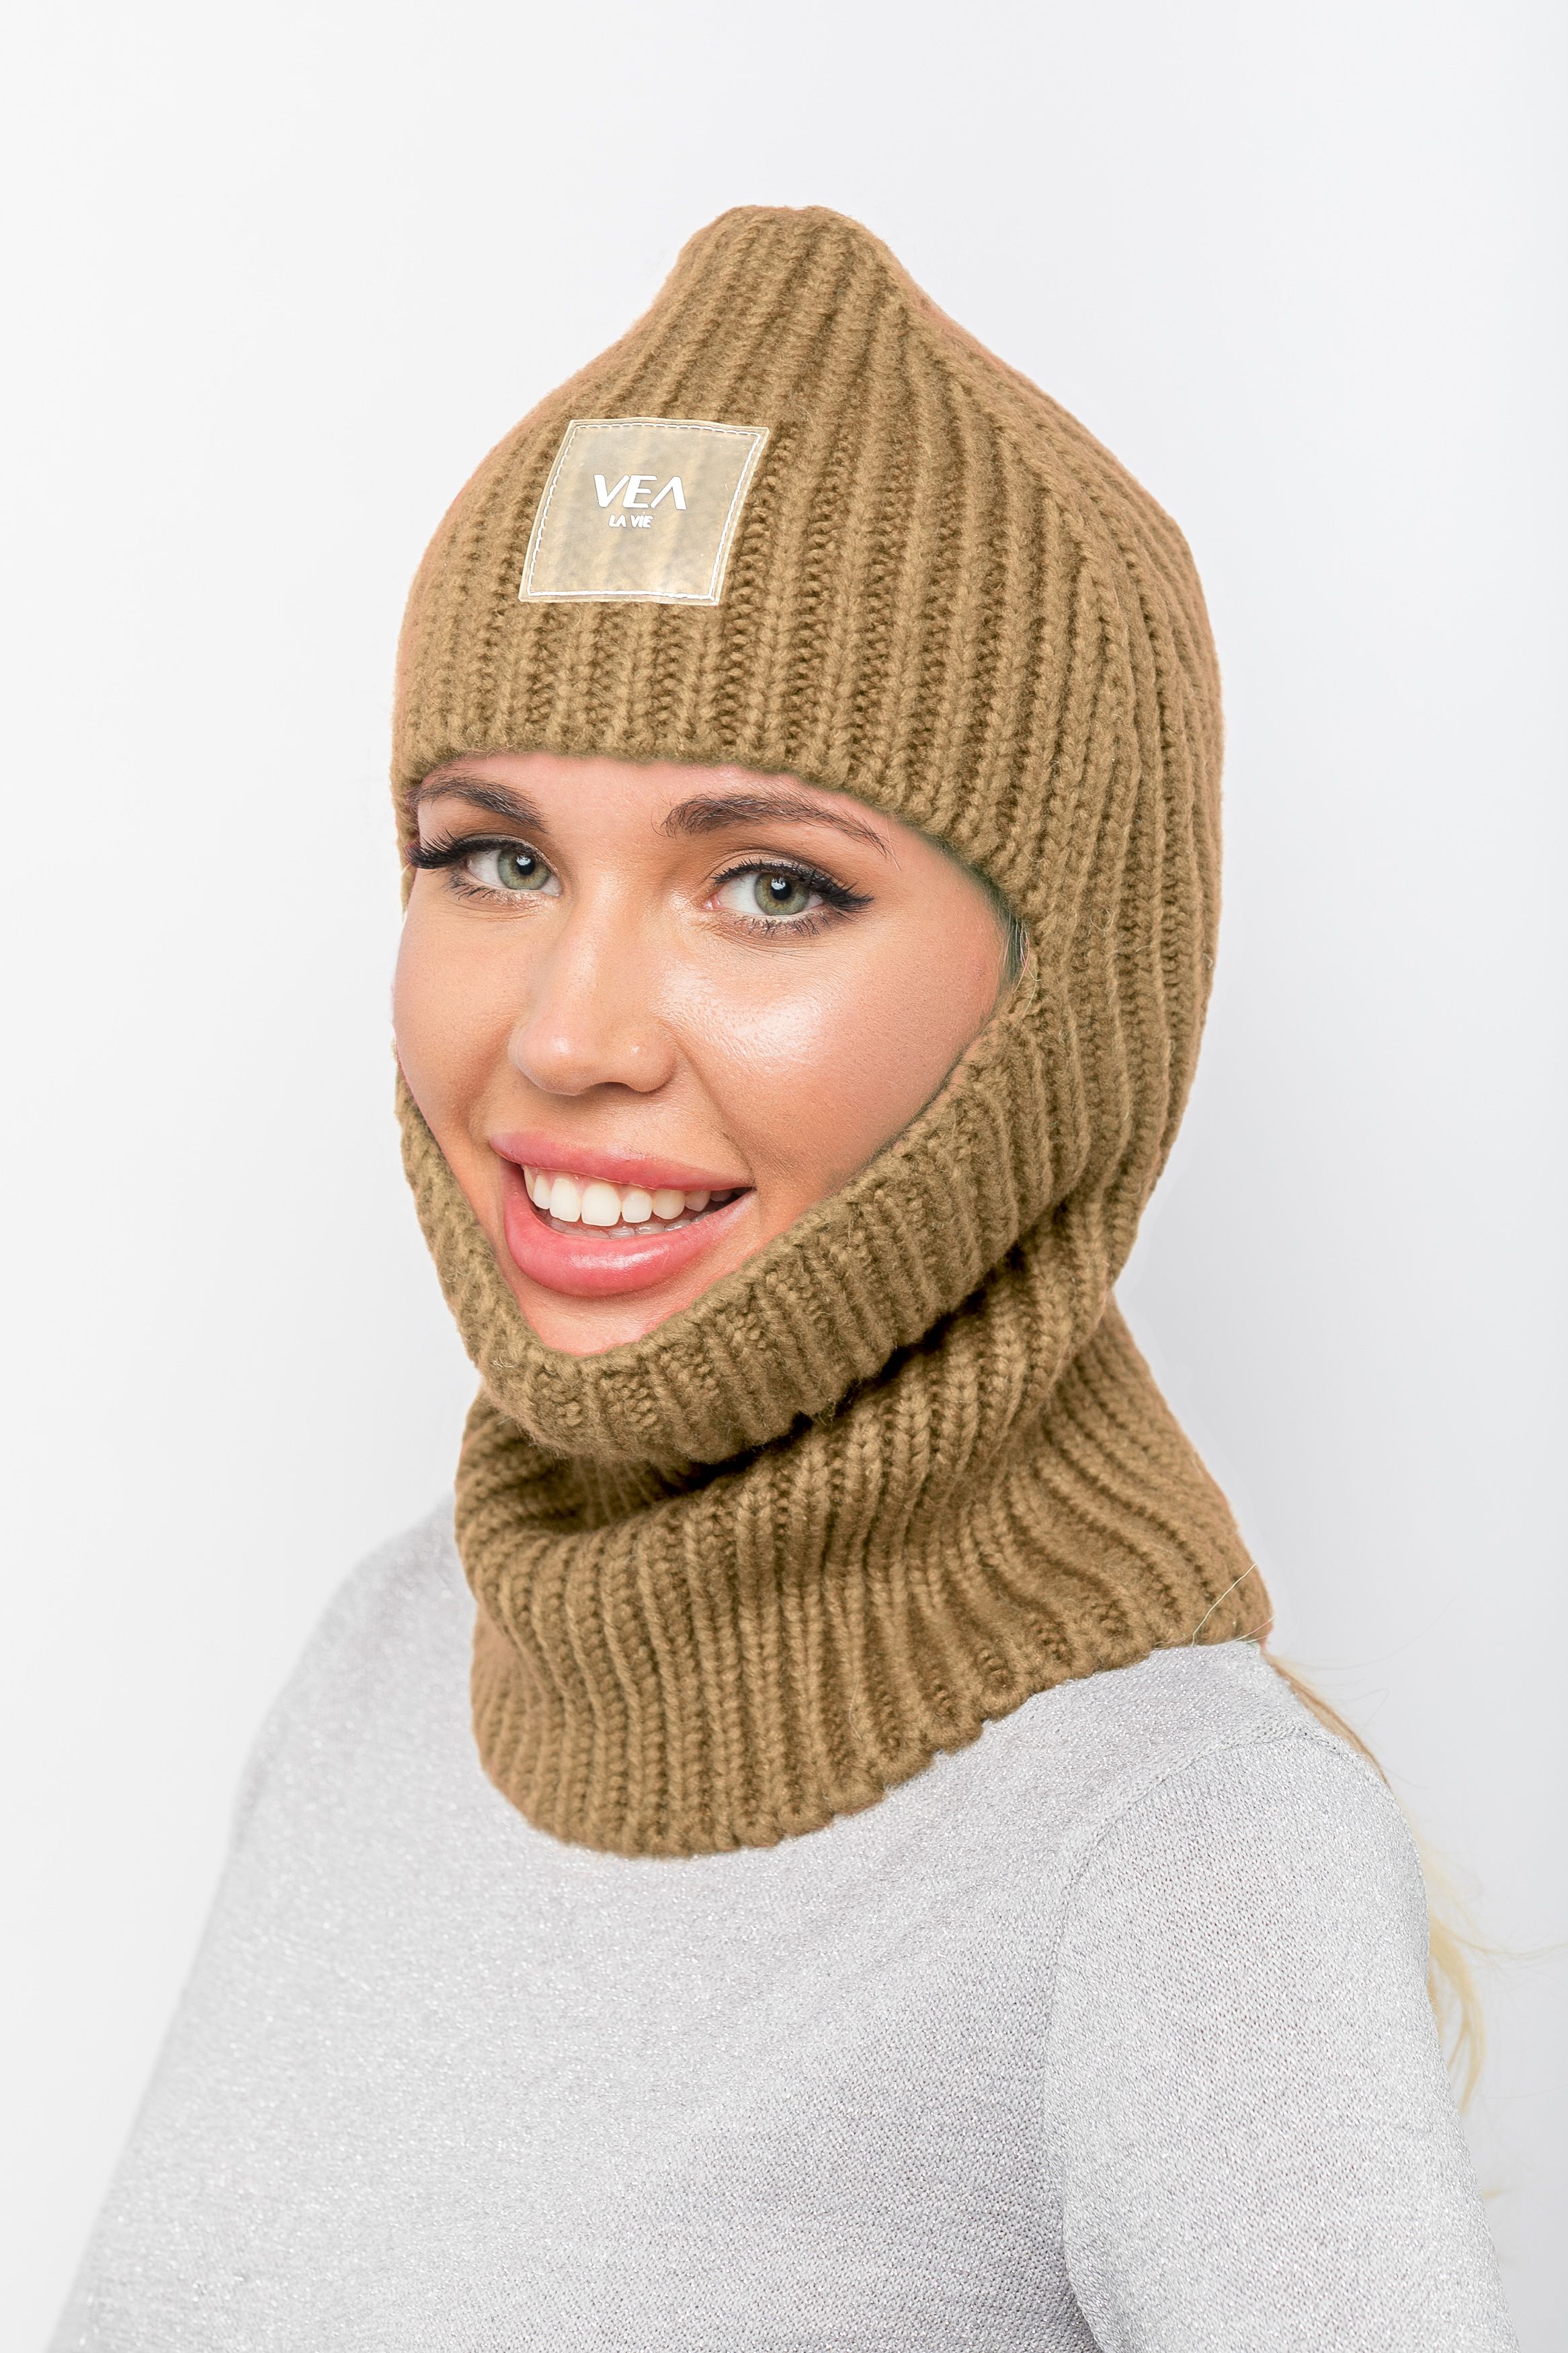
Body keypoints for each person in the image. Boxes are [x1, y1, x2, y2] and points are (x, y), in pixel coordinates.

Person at [52, 206, 1515, 2352]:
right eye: (493, 857)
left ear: (1067, 1003)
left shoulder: (1183, 1847)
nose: (567, 1033)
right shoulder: (396, 1655)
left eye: (769, 887)